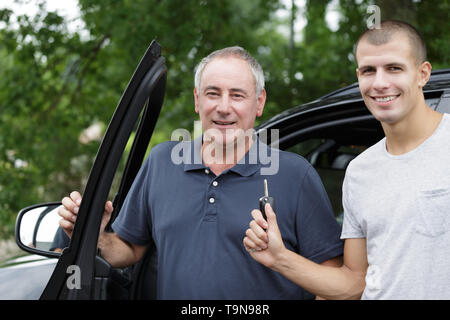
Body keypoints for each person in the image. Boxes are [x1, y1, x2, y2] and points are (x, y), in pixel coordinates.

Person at [58, 46, 344, 299]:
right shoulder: (161, 162)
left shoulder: (295, 175)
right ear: (197, 100)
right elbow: (130, 250)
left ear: (259, 103)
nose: (223, 107)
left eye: (237, 95)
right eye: (212, 93)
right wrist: (95, 235)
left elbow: (332, 273)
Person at [243, 20, 450, 300]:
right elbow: (354, 282)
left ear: (422, 73)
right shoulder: (359, 171)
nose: (379, 82)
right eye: (368, 71)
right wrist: (279, 257)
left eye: (394, 68)